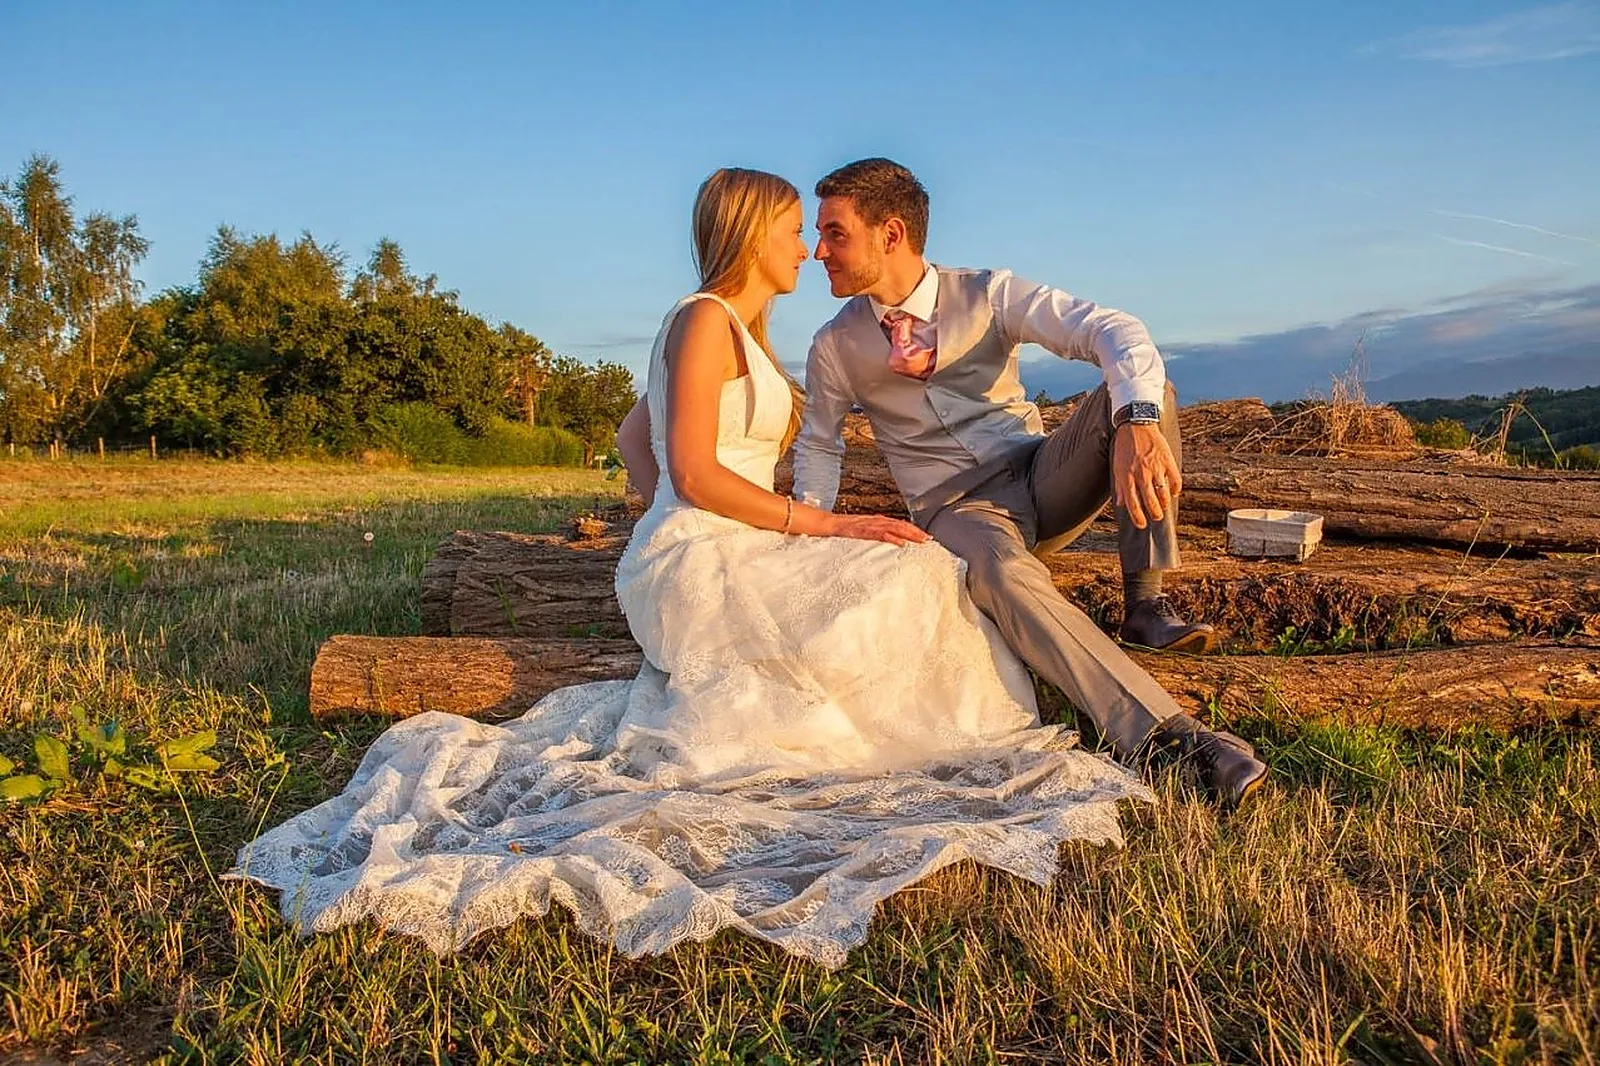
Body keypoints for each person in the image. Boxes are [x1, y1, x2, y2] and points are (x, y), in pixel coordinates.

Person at [230, 168, 1150, 967]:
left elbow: (636, 442)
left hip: (729, 536)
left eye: (822, 232)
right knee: (906, 575)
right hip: (711, 551)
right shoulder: (710, 319)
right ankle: (937, 731)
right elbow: (698, 472)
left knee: (917, 561)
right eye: (796, 231)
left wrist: (669, 511)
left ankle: (1104, 626)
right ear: (754, 236)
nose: (808, 248)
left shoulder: (737, 326)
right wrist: (769, 523)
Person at [789, 158, 1267, 806]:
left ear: (891, 234)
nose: (818, 251)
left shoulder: (989, 293)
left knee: (1147, 394)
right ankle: (1168, 740)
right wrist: (812, 529)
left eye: (834, 233)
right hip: (957, 509)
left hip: (1041, 473)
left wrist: (1136, 419)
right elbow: (819, 446)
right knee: (1001, 573)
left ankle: (1146, 603)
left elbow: (1112, 329)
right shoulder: (834, 344)